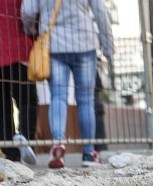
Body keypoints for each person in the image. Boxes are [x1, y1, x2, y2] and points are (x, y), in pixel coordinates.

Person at [21, 0, 114, 168]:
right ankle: (89, 152)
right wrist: (108, 47)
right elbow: (100, 11)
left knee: (58, 96)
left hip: (54, 45)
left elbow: (27, 11)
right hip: (85, 43)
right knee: (86, 100)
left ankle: (57, 143)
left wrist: (32, 30)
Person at [0, 0, 37, 165]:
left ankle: (10, 152)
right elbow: (29, 12)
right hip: (18, 49)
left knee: (2, 106)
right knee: (27, 100)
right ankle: (26, 139)